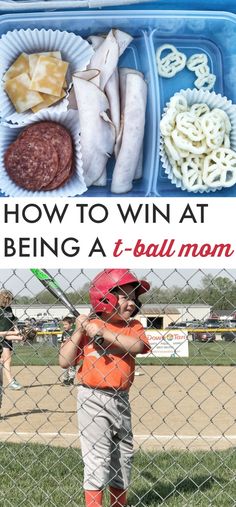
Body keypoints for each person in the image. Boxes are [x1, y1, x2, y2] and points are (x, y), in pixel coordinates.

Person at [59, 269, 150, 507]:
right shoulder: (89, 327)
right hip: (92, 398)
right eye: (124, 297)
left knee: (123, 455)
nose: (131, 303)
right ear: (104, 298)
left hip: (121, 399)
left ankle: (119, 504)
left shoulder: (134, 327)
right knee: (97, 457)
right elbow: (64, 361)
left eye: (133, 298)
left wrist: (103, 332)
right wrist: (80, 329)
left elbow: (138, 346)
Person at [0, 289, 25, 391]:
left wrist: (17, 331)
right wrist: (15, 334)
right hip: (1, 337)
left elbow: (13, 321)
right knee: (7, 360)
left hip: (7, 337)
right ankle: (11, 382)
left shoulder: (9, 309)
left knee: (5, 360)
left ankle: (10, 381)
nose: (11, 301)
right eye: (9, 299)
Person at [59, 316, 76, 385]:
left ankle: (71, 379)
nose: (64, 326)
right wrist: (61, 350)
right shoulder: (64, 333)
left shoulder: (75, 333)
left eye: (66, 324)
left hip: (73, 352)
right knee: (64, 365)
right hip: (65, 352)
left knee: (72, 366)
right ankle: (65, 379)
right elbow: (62, 342)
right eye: (63, 324)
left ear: (71, 324)